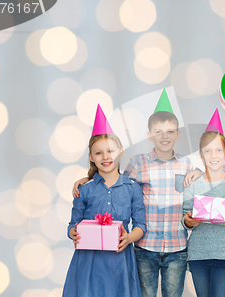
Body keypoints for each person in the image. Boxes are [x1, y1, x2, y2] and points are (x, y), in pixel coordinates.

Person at [72, 91, 201, 297]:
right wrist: (88, 179)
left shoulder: (187, 164)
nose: (164, 136)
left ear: (178, 134)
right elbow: (115, 180)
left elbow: (199, 188)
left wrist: (199, 172)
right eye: (158, 132)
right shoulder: (138, 163)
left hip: (177, 246)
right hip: (145, 247)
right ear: (149, 135)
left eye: (170, 132)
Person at [63, 105, 146, 297]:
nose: (105, 157)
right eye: (98, 153)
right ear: (91, 157)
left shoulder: (132, 188)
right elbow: (72, 224)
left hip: (120, 261)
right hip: (88, 262)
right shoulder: (84, 190)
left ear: (120, 151)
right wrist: (73, 232)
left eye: (110, 151)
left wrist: (130, 238)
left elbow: (141, 225)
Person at [182, 110, 225, 297]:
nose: (213, 155)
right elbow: (185, 218)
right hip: (198, 254)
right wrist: (189, 220)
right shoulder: (194, 184)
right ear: (201, 154)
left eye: (218, 150)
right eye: (208, 151)